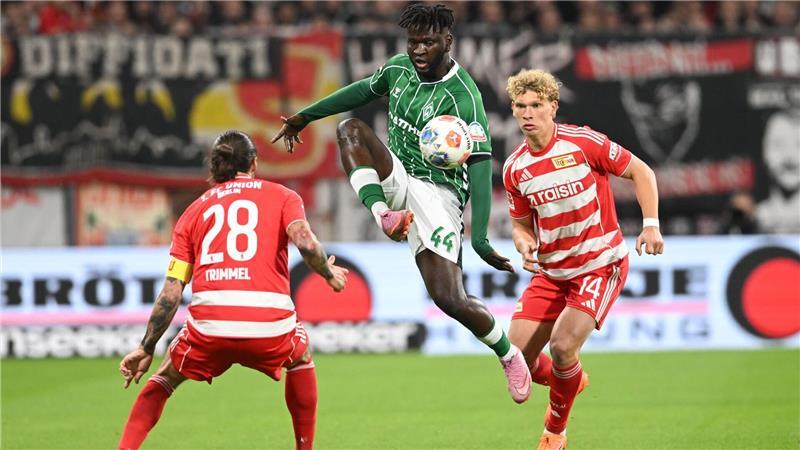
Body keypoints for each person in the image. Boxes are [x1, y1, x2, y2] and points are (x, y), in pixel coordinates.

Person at [271, 3, 532, 403]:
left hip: (438, 194)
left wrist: (478, 239)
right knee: (350, 130)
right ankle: (383, 215)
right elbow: (361, 90)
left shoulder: (465, 97)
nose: (418, 50)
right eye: (413, 42)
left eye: (428, 42)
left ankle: (508, 353)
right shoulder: (397, 69)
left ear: (448, 41)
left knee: (449, 298)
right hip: (398, 177)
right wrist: (306, 116)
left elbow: (480, 166)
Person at [117, 131, 349, 450]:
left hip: (210, 326)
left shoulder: (193, 212)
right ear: (254, 163)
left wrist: (146, 347)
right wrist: (328, 273)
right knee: (301, 356)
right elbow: (307, 243)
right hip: (271, 325)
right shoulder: (283, 196)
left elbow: (171, 293)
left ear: (215, 167)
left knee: (164, 378)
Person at [501, 69, 663, 450]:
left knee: (561, 346)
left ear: (552, 107)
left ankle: (554, 432)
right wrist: (524, 244)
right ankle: (570, 378)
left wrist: (651, 225)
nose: (528, 113)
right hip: (552, 272)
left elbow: (641, 171)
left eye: (537, 105)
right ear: (513, 111)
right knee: (516, 359)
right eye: (521, 106)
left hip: (599, 263)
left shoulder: (581, 142)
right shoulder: (514, 169)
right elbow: (521, 225)